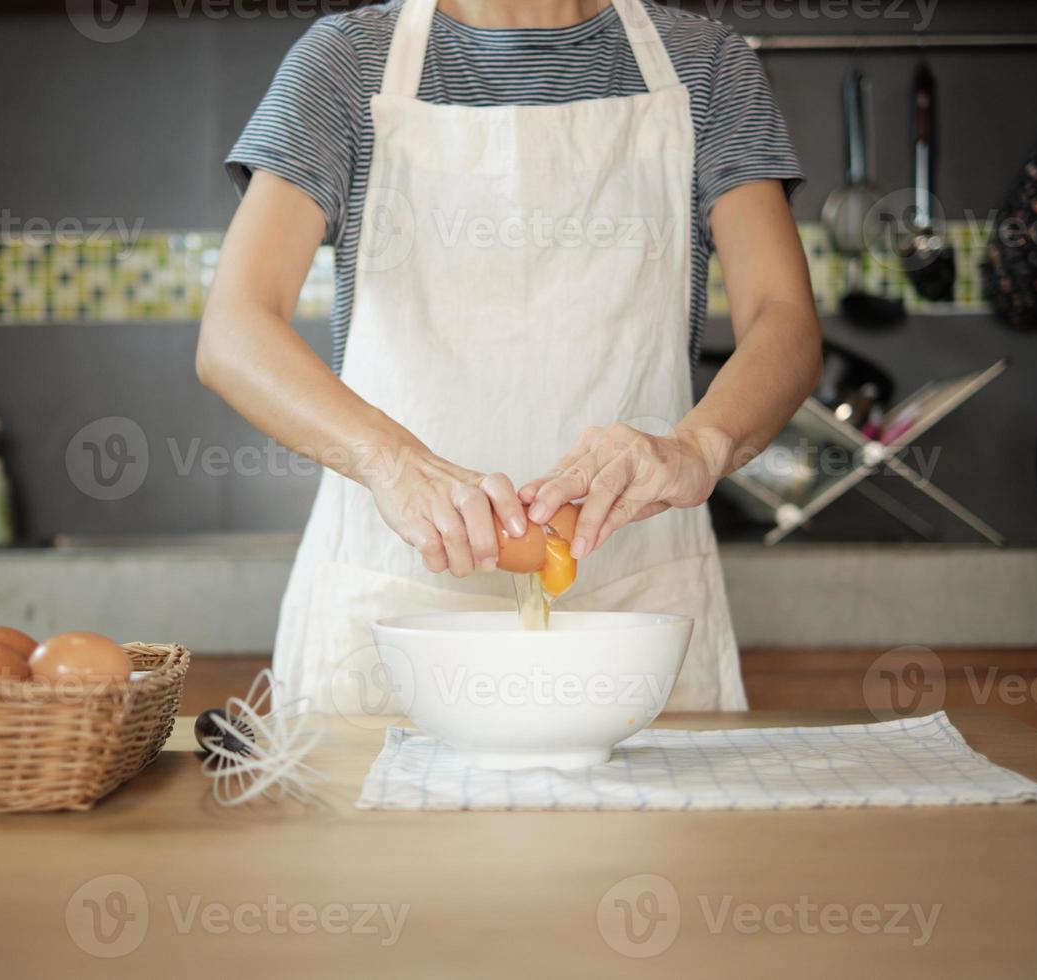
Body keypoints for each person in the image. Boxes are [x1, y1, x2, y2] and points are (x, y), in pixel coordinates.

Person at [198, 0, 821, 712]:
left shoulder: (705, 64)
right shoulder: (347, 60)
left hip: (638, 607)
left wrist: (697, 449)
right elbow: (235, 330)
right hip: (393, 606)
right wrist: (392, 462)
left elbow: (786, 323)